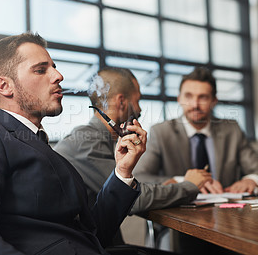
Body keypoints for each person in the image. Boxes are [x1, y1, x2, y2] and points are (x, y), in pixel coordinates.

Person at [0, 33, 156, 255]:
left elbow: (92, 236)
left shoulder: (47, 151)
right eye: (41, 70)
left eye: (54, 67)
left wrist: (122, 172)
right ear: (4, 86)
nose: (58, 76)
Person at [55, 66, 211, 211]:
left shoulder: (98, 139)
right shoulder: (87, 143)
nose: (140, 109)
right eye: (137, 101)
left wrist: (166, 186)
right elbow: (133, 197)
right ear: (121, 102)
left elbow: (128, 187)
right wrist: (190, 186)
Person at [133, 66, 258, 195]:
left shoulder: (232, 130)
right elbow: (140, 177)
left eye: (202, 97)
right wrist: (184, 181)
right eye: (188, 96)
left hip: (225, 215)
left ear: (214, 101)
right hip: (177, 217)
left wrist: (251, 180)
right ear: (179, 99)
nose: (195, 104)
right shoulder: (161, 132)